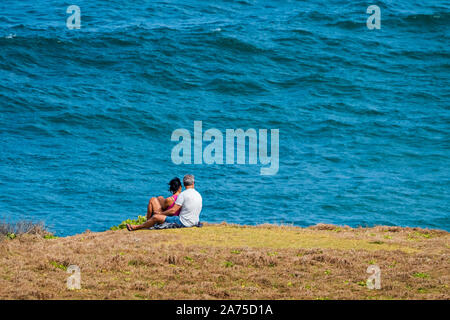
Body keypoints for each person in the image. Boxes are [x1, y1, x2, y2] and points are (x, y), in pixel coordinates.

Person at [127, 174, 202, 231]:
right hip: (194, 222)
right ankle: (145, 224)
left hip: (183, 222)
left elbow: (173, 211)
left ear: (184, 184)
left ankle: (137, 227)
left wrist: (160, 214)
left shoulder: (183, 195)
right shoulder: (198, 195)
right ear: (193, 183)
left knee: (156, 217)